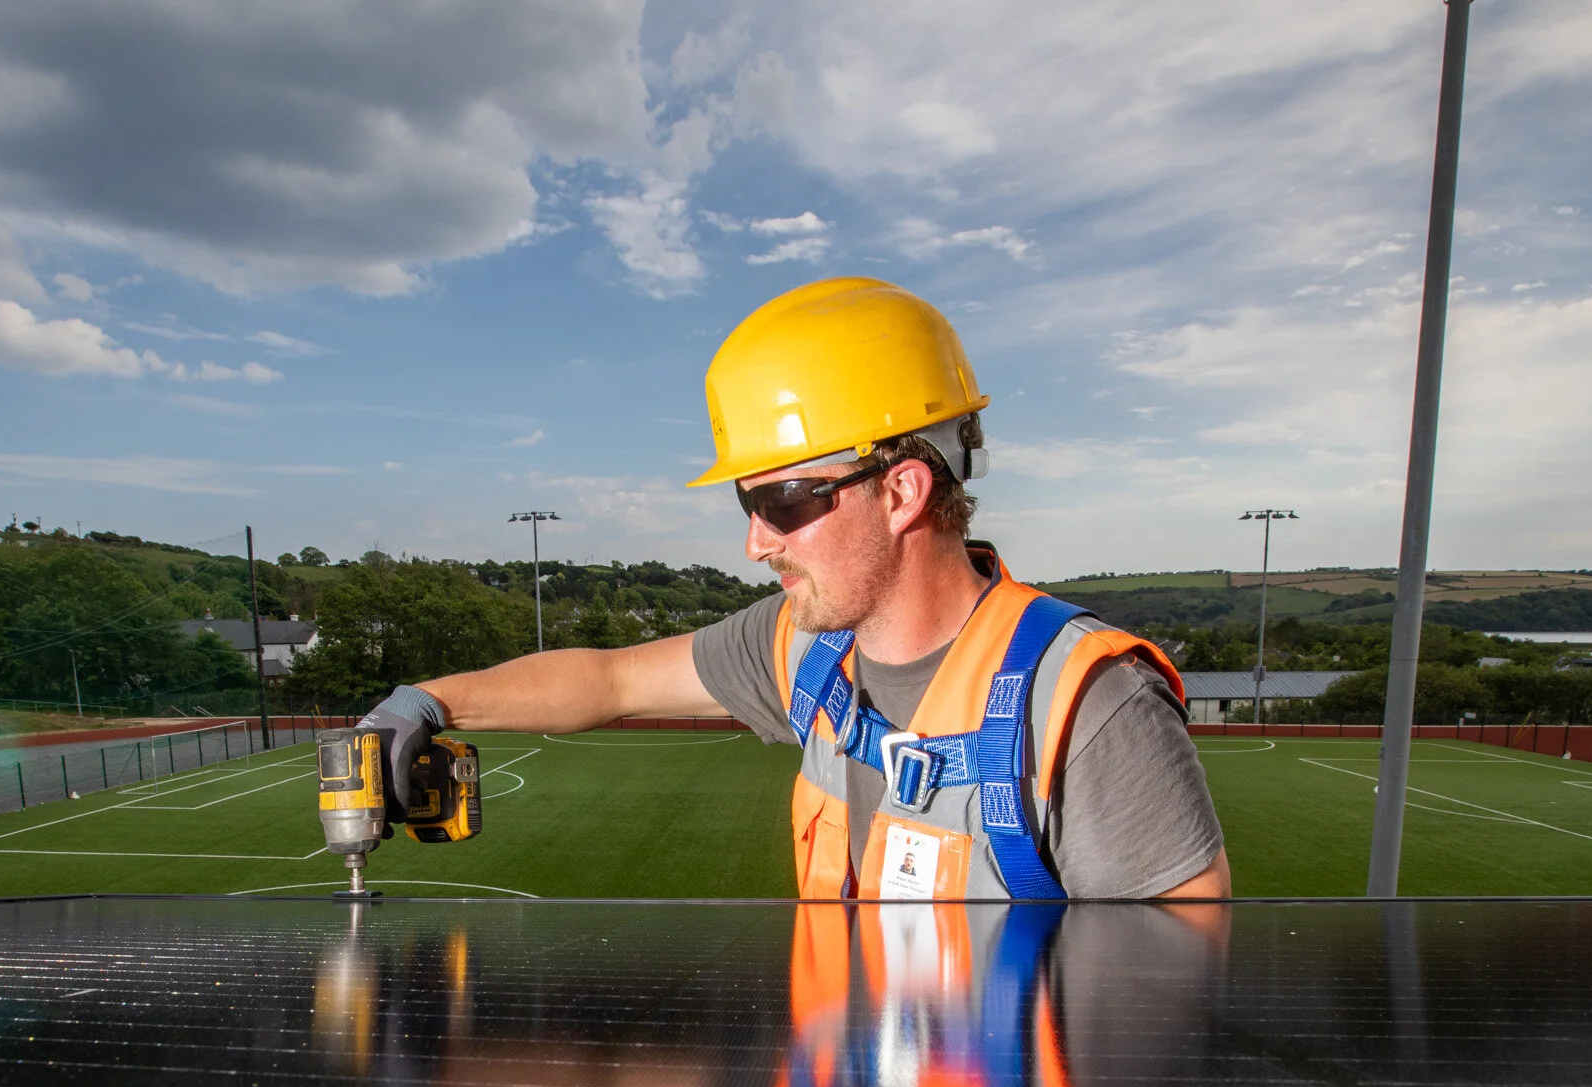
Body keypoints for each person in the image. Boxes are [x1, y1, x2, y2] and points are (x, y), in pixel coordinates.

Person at [364, 275, 1227, 901]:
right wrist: (429, 701)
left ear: (901, 491)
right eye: (749, 503)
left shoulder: (1085, 709)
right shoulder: (806, 647)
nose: (754, 542)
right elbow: (612, 678)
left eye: (782, 501)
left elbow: (1164, 1022)